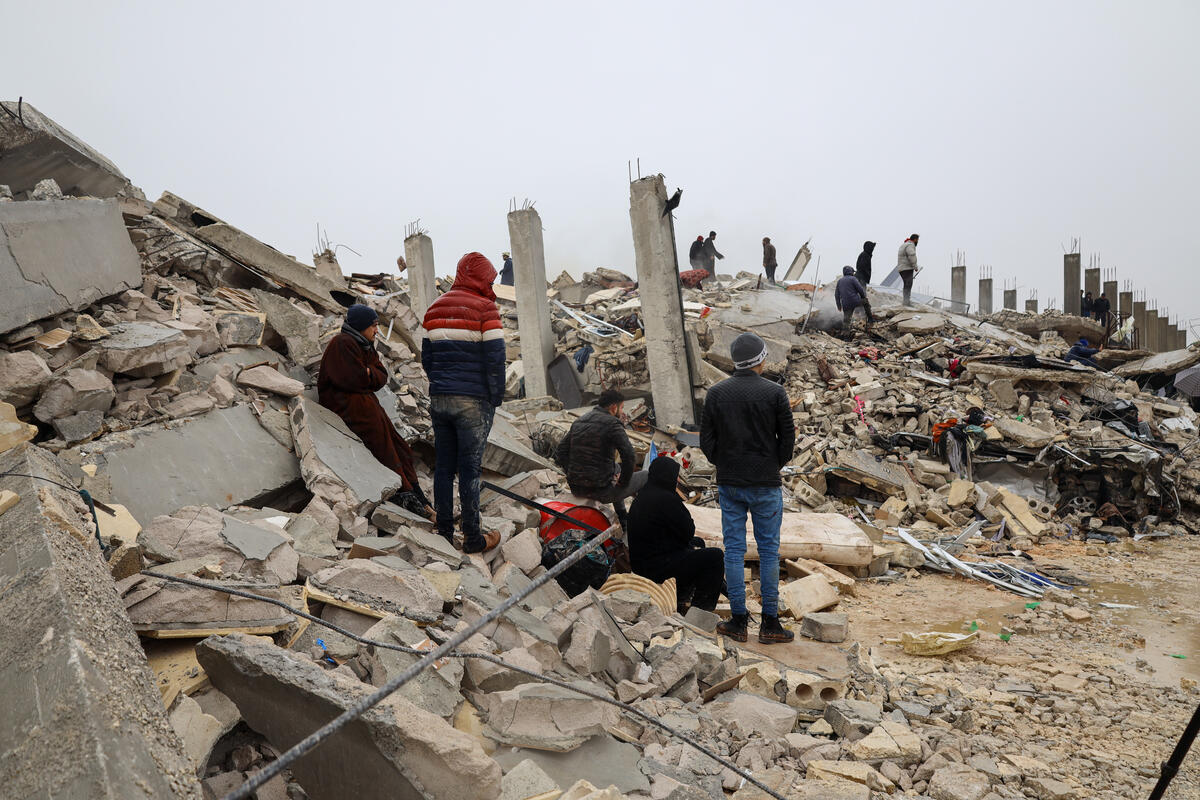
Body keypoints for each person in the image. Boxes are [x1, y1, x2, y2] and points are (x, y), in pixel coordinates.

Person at [700, 332, 796, 644]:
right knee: (769, 550)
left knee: (735, 549)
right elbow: (788, 440)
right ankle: (770, 623)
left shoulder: (716, 394)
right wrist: (773, 465)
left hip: (731, 483)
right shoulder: (775, 393)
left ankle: (738, 621)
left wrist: (724, 464)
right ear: (760, 359)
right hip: (766, 484)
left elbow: (707, 442)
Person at [422, 252, 507, 553]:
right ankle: (473, 537)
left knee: (444, 468)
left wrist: (441, 383)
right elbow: (496, 358)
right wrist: (495, 395)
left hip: (440, 398)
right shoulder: (486, 309)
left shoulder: (434, 308)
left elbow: (427, 358)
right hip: (473, 401)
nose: (491, 284)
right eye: (489, 278)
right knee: (470, 470)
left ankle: (444, 531)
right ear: (481, 278)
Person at [319, 304, 432, 518]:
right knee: (383, 449)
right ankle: (403, 495)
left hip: (364, 404)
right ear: (362, 326)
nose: (376, 331)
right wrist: (367, 375)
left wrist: (368, 374)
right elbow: (354, 378)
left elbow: (380, 376)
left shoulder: (364, 345)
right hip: (347, 408)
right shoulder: (342, 343)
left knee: (398, 446)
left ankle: (416, 495)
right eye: (373, 326)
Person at [628, 456, 724, 613]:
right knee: (715, 556)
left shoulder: (643, 496)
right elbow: (687, 531)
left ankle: (681, 597)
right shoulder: (666, 499)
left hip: (644, 563)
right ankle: (700, 611)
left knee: (697, 542)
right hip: (657, 568)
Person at [556, 388, 648, 529]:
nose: (623, 412)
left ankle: (623, 517)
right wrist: (622, 484)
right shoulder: (612, 424)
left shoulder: (579, 421)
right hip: (601, 491)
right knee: (648, 475)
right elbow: (629, 456)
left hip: (577, 488)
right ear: (613, 407)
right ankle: (642, 520)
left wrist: (574, 474)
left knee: (616, 468)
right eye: (622, 408)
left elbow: (561, 451)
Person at [896, 234, 919, 306]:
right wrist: (915, 266)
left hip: (902, 268)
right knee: (908, 285)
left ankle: (906, 301)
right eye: (917, 240)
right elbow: (911, 255)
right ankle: (906, 302)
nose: (917, 241)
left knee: (906, 285)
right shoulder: (910, 245)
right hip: (907, 268)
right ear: (915, 239)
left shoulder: (904, 244)